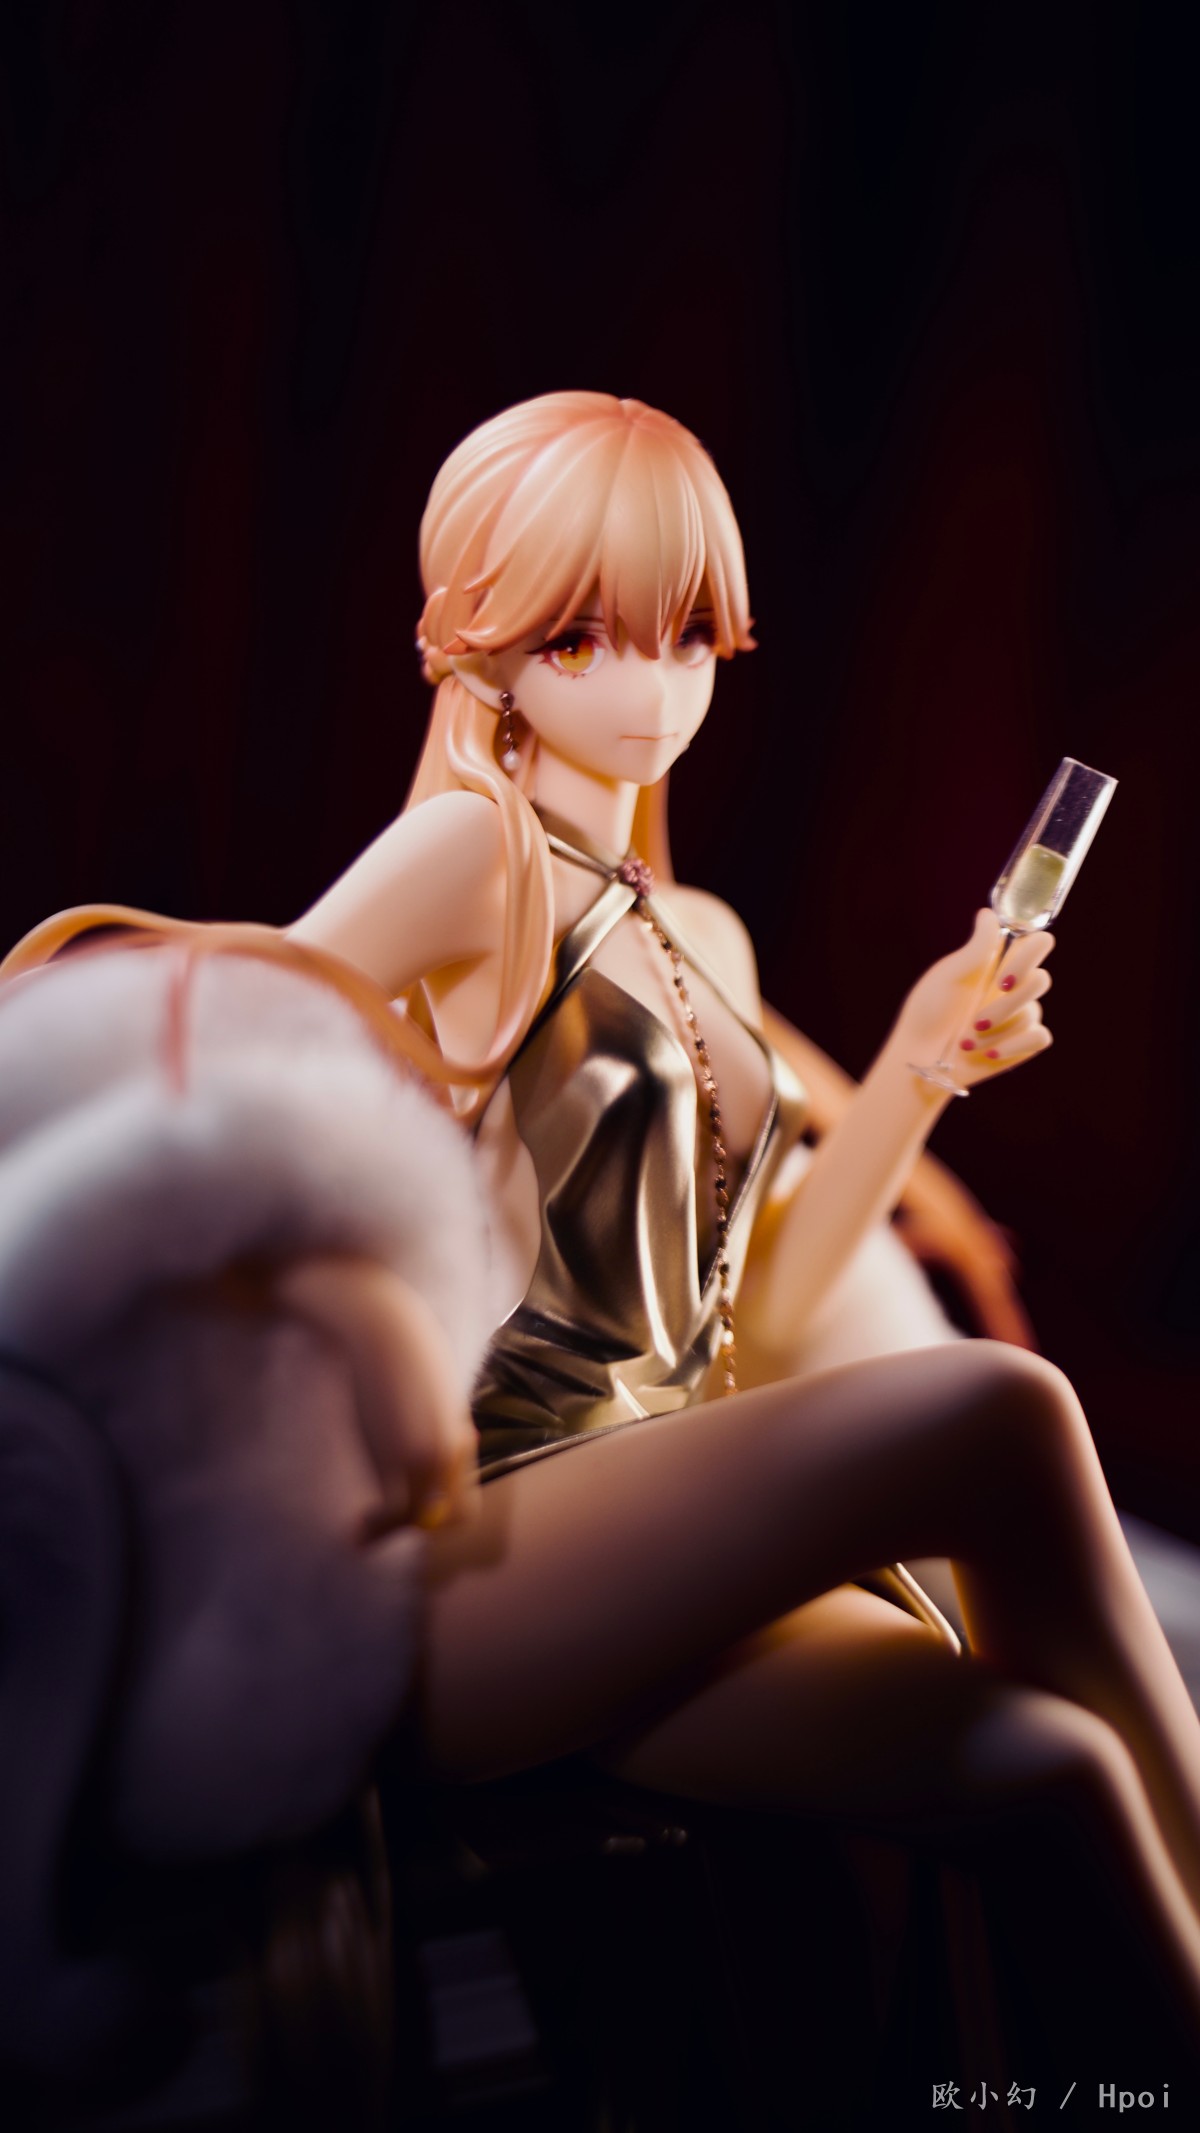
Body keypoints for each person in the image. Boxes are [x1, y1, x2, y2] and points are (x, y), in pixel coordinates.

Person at [275, 389, 1200, 2055]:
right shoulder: (468, 857)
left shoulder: (702, 931)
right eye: (583, 639)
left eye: (691, 635)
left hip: (678, 1516)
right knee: (1007, 1404)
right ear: (479, 640)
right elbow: (211, 1049)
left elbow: (765, 1308)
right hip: (501, 1547)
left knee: (1054, 1769)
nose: (653, 689)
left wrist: (918, 1064)